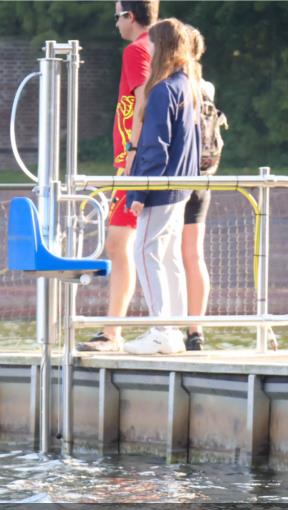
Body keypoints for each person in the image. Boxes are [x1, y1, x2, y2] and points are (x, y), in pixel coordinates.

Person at [77, 1, 157, 353]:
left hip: (134, 162)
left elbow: (142, 102)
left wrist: (131, 157)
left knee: (118, 243)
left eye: (117, 17)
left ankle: (113, 332)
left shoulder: (136, 51)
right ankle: (169, 328)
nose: (116, 25)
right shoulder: (163, 47)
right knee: (148, 247)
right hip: (147, 161)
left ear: (131, 16)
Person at [123, 18, 202, 355]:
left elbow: (154, 146)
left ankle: (162, 330)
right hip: (181, 186)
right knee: (167, 257)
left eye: (152, 44)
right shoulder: (189, 87)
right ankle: (173, 328)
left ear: (162, 47)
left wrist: (138, 192)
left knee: (145, 251)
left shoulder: (164, 90)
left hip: (161, 186)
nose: (149, 50)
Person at [182, 26, 213, 351]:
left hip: (173, 180)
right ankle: (195, 329)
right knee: (194, 255)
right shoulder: (207, 87)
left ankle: (163, 326)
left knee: (161, 254)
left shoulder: (172, 86)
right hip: (202, 179)